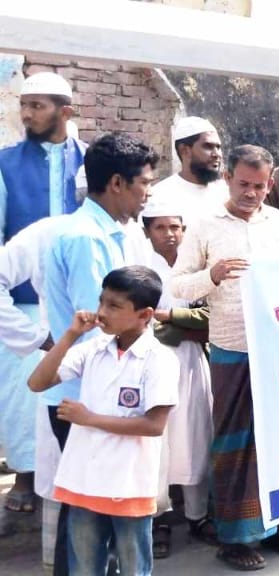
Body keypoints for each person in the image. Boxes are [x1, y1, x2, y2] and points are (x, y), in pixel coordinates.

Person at [168, 144, 279, 570]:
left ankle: (277, 525)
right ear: (228, 178)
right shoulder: (205, 224)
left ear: (270, 184)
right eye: (244, 184)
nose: (251, 193)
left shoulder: (276, 221)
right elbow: (178, 285)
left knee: (276, 439)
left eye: (260, 186)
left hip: (274, 347)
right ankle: (236, 538)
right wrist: (211, 276)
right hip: (230, 347)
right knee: (234, 442)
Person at [40, 132, 157, 574]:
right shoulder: (86, 238)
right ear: (116, 183)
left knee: (94, 507)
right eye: (144, 183)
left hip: (102, 389)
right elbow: (102, 325)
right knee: (87, 514)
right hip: (88, 393)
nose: (148, 193)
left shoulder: (114, 231)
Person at [28, 266, 178, 576]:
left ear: (144, 315)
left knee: (133, 566)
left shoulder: (159, 359)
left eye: (114, 306)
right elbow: (37, 382)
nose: (102, 312)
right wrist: (70, 335)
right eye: (101, 301)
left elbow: (154, 425)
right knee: (84, 567)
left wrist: (89, 419)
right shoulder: (93, 349)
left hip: (129, 483)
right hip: (85, 479)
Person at [1, 72, 85, 515]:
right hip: (23, 297)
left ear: (64, 111)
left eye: (37, 106)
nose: (27, 114)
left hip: (80, 297)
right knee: (23, 392)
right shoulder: (4, 163)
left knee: (78, 387)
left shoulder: (91, 160)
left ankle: (75, 474)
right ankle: (26, 472)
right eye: (24, 105)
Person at [136, 202, 217, 558]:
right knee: (160, 443)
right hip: (151, 363)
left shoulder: (196, 268)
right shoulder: (139, 270)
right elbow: (139, 321)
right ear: (147, 232)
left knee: (195, 436)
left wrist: (172, 320)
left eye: (175, 227)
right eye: (160, 227)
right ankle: (159, 520)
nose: (170, 234)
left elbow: (212, 315)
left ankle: (198, 516)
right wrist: (175, 324)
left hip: (191, 360)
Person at [0, 215, 65, 517]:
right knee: (24, 396)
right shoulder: (44, 231)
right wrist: (37, 337)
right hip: (26, 303)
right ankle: (25, 471)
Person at [148, 117, 228, 234]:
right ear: (184, 150)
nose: (217, 154)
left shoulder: (227, 193)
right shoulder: (159, 196)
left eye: (218, 147)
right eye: (208, 146)